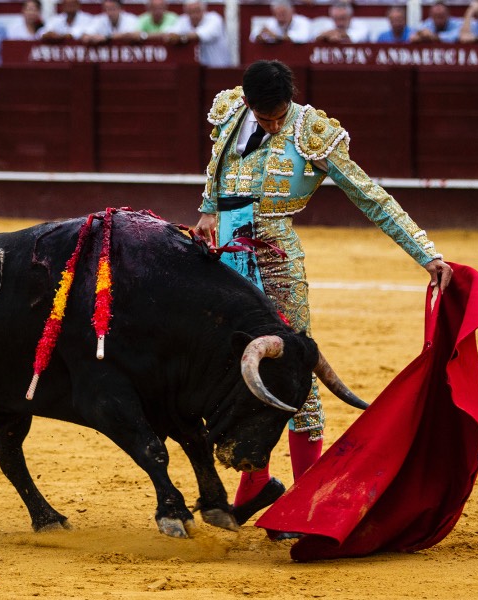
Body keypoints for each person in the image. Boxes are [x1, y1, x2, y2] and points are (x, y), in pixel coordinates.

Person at [192, 60, 452, 530]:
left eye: (278, 117)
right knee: (232, 366)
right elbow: (217, 168)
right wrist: (208, 209)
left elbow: (369, 195)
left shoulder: (310, 131)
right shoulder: (231, 112)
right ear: (248, 102)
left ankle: (305, 495)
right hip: (225, 259)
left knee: (295, 366)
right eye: (265, 118)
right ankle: (255, 483)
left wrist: (425, 253)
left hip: (275, 258)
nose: (273, 126)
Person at [165, 0, 232, 67]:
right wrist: (173, 37)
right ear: (186, 12)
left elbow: (200, 35)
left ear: (204, 10)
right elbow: (170, 34)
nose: (194, 15)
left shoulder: (215, 19)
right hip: (194, 70)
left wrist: (181, 38)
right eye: (190, 11)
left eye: (197, 11)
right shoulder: (183, 20)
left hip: (218, 68)